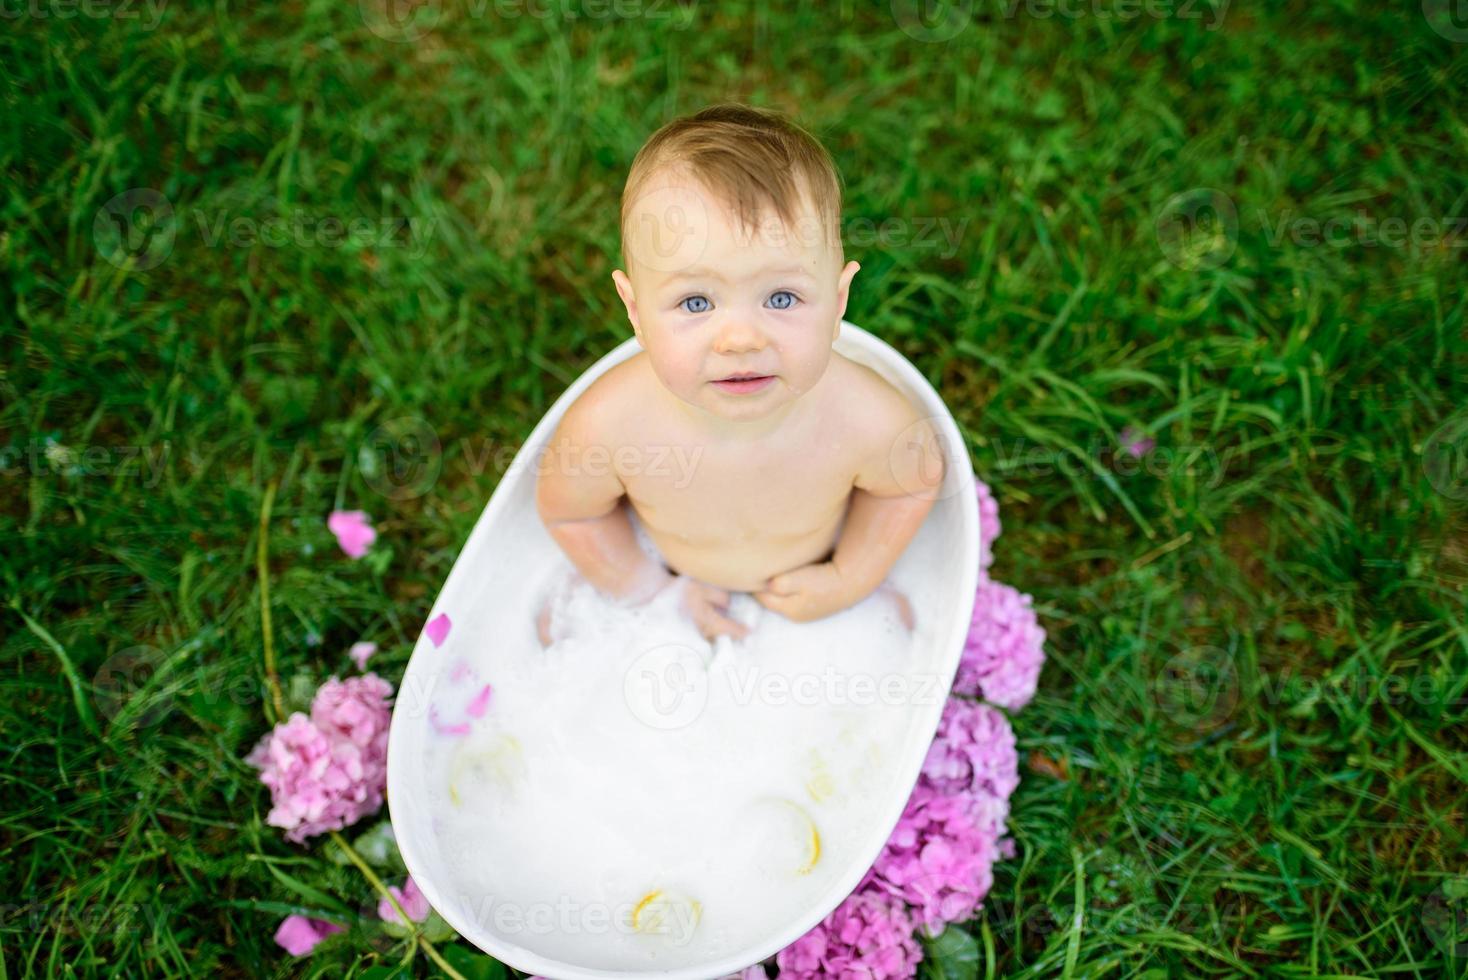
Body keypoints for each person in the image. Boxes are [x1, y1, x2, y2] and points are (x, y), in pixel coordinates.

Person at [535, 104, 942, 644]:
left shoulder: (868, 420)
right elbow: (572, 514)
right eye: (696, 301)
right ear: (635, 311)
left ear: (838, 301)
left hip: (815, 579)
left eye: (781, 297)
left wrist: (851, 576)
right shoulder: (608, 430)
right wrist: (652, 591)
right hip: (679, 580)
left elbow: (907, 487)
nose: (742, 339)